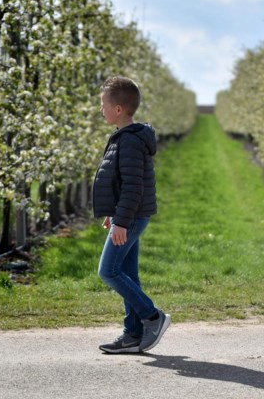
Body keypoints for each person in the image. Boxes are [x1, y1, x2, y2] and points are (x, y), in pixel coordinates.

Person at [93, 76, 170, 354]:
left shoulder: (130, 141)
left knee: (108, 271)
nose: (100, 109)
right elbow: (119, 181)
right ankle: (132, 334)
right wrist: (112, 214)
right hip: (124, 215)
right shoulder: (124, 137)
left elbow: (133, 187)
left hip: (132, 217)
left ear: (118, 109)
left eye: (103, 104)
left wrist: (122, 221)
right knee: (127, 273)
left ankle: (152, 317)